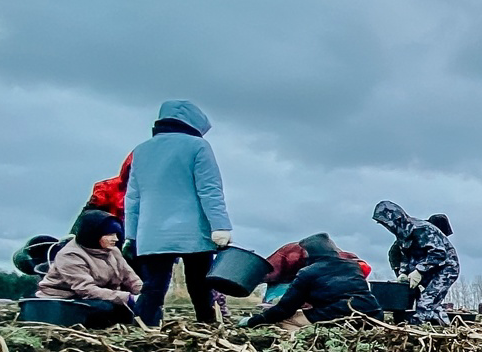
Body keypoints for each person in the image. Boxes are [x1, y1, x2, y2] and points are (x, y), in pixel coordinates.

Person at [125, 100, 232, 327]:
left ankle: (142, 329)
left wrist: (131, 235)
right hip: (193, 231)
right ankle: (208, 327)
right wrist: (220, 226)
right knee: (200, 285)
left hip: (152, 232)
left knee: (153, 286)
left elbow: (133, 197)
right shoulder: (198, 146)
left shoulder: (141, 150)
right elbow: (209, 190)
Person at [245, 235, 381, 328]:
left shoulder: (307, 272)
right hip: (373, 315)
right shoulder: (353, 266)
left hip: (336, 317)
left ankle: (299, 344)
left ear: (308, 254)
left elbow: (285, 309)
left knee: (285, 322)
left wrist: (253, 321)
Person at [35, 210, 142, 329]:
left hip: (98, 297)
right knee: (106, 308)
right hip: (64, 301)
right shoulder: (70, 255)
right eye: (109, 234)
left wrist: (145, 295)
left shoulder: (113, 251)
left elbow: (130, 277)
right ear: (94, 234)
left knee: (130, 308)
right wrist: (129, 298)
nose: (115, 239)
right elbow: (86, 290)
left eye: (117, 234)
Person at [372, 201, 459, 325]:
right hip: (427, 267)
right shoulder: (402, 234)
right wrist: (402, 273)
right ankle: (443, 326)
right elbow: (405, 257)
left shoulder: (422, 229)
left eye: (386, 223)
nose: (386, 227)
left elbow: (439, 253)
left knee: (425, 303)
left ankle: (420, 330)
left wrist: (419, 270)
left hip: (446, 268)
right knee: (430, 303)